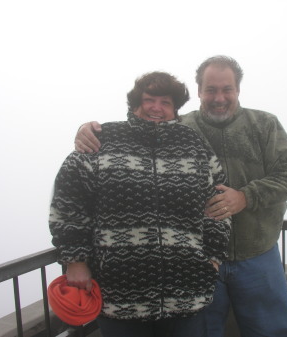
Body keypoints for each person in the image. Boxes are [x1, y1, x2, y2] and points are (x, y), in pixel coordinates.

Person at [74, 56, 287, 337]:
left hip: (257, 256)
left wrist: (245, 196)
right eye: (210, 89)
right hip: (197, 262)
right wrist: (89, 130)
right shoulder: (179, 127)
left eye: (226, 89)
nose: (219, 97)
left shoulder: (265, 125)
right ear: (199, 91)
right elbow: (138, 131)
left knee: (271, 332)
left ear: (238, 90)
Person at [49, 71, 231, 337]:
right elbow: (69, 202)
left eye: (165, 102)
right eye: (149, 100)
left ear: (175, 109)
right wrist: (75, 260)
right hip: (120, 297)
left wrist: (212, 258)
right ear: (135, 104)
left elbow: (219, 202)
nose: (156, 108)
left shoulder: (194, 145)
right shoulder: (102, 140)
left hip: (187, 294)